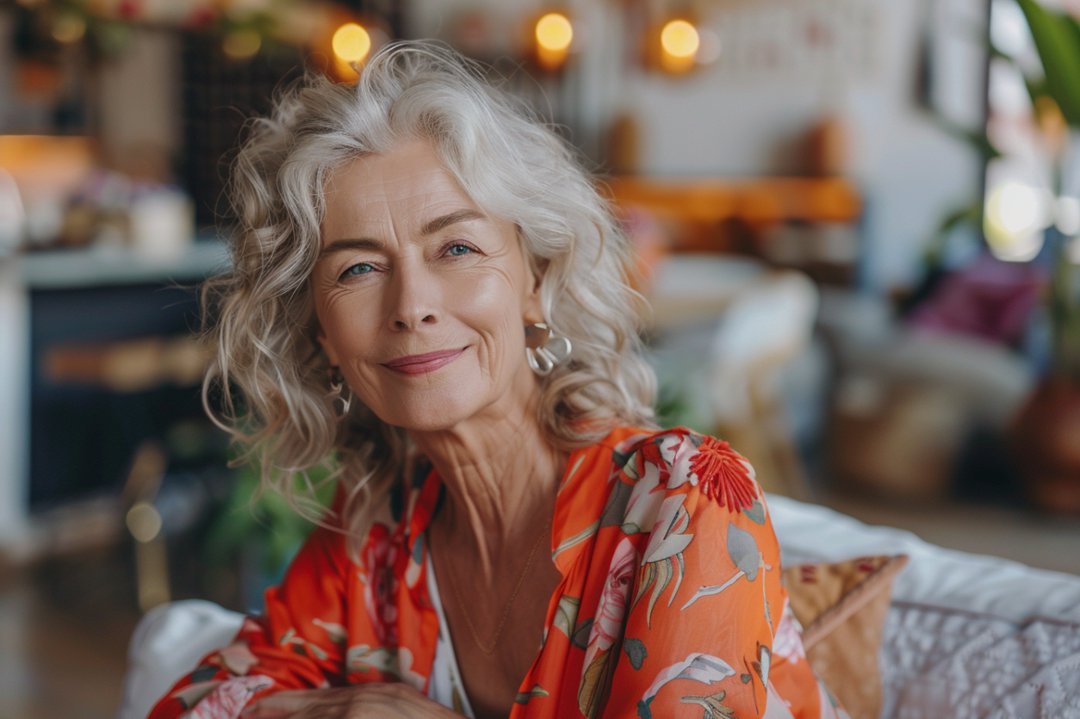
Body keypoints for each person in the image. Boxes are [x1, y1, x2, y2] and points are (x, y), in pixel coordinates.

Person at [149, 41, 846, 719]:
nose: (412, 305)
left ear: (535, 283)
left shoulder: (681, 504)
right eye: (357, 268)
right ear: (323, 335)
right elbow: (193, 706)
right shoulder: (374, 539)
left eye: (456, 247)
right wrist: (343, 707)